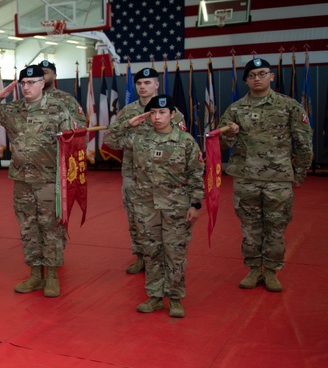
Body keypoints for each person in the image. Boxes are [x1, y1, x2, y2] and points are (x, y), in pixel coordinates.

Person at [0, 65, 75, 297]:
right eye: (23, 84)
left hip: (49, 180)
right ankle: (34, 274)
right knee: (28, 227)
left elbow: (72, 145)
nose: (27, 87)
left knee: (51, 228)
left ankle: (51, 275)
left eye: (32, 82)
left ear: (43, 83)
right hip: (22, 180)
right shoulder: (12, 110)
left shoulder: (59, 109)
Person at [219, 57, 313, 292]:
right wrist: (230, 134)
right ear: (246, 81)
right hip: (246, 178)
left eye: (262, 74)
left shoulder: (289, 106)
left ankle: (271, 271)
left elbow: (304, 143)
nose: (257, 78)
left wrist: (299, 173)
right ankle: (253, 270)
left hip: (278, 178)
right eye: (252, 75)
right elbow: (220, 142)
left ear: (271, 76)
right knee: (250, 228)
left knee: (276, 227)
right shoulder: (235, 109)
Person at [111, 95, 203, 318]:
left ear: (172, 114)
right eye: (152, 113)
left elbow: (197, 173)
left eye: (162, 112)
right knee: (151, 252)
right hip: (146, 206)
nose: (157, 117)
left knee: (174, 252)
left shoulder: (185, 140)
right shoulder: (140, 138)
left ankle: (175, 298)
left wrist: (196, 204)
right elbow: (111, 141)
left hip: (176, 206)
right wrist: (128, 123)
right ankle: (154, 296)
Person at [106, 67, 186, 274]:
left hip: (164, 177)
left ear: (157, 84)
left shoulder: (172, 111)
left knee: (166, 220)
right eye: (139, 83)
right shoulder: (129, 111)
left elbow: (183, 145)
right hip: (134, 174)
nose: (143, 87)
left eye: (148, 83)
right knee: (135, 218)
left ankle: (164, 260)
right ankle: (141, 256)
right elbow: (111, 140)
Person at [37, 60, 87, 125]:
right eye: (39, 74)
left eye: (45, 73)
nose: (42, 76)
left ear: (54, 76)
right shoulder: (31, 99)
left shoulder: (67, 99)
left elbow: (81, 124)